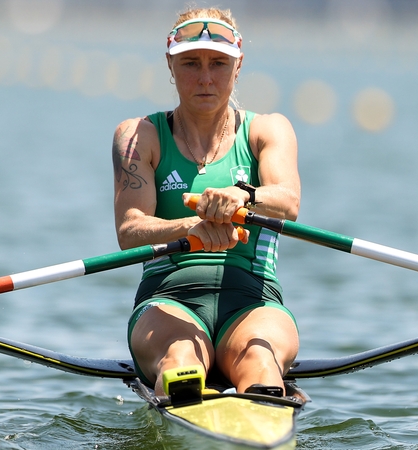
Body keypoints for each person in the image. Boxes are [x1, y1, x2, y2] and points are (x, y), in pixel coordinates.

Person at [112, 6, 300, 397]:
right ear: (170, 64)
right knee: (182, 360)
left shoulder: (267, 130)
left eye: (218, 63)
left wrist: (242, 196)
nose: (205, 77)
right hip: (168, 300)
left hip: (254, 299)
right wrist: (190, 228)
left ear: (238, 65)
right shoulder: (139, 135)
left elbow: (288, 202)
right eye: (190, 63)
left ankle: (261, 415)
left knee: (260, 364)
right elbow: (130, 229)